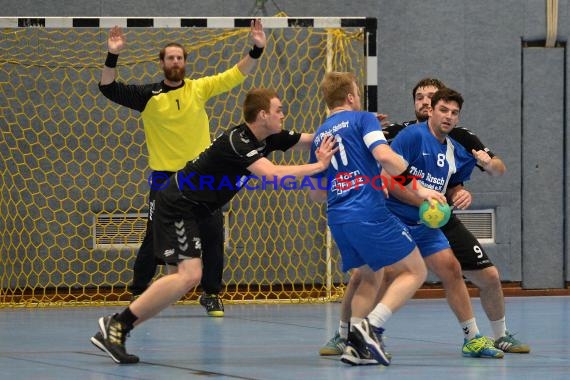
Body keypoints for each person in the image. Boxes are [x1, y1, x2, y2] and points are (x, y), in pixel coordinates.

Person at [90, 88, 335, 364]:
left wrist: (361, 126)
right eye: (279, 110)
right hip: (178, 203)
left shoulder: (269, 137)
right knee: (189, 275)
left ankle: (117, 327)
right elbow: (273, 175)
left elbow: (314, 139)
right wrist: (318, 166)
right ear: (263, 114)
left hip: (194, 208)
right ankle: (116, 325)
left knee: (179, 281)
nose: (283, 115)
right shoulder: (238, 141)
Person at [320, 79, 529, 357]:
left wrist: (478, 176)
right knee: (374, 273)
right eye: (438, 107)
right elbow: (388, 173)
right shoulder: (409, 136)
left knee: (452, 269)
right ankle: (350, 335)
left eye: (452, 112)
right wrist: (420, 194)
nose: (446, 114)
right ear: (429, 110)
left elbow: (486, 171)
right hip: (395, 215)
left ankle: (474, 338)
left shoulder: (455, 143)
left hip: (429, 220)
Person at [98, 19, 267, 317]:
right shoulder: (147, 97)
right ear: (161, 63)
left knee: (213, 232)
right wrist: (113, 54)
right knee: (153, 236)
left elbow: (235, 75)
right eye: (170, 57)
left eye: (180, 57)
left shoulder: (198, 89)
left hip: (201, 179)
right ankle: (138, 293)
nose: (175, 61)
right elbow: (108, 87)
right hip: (164, 180)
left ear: (185, 62)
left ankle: (211, 294)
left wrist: (256, 49)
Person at [307, 72, 447, 366]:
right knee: (415, 271)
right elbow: (385, 156)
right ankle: (373, 327)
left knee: (371, 275)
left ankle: (355, 347)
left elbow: (317, 194)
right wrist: (420, 187)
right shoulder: (363, 120)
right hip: (367, 211)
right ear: (350, 97)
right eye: (356, 93)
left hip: (338, 217)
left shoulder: (321, 134)